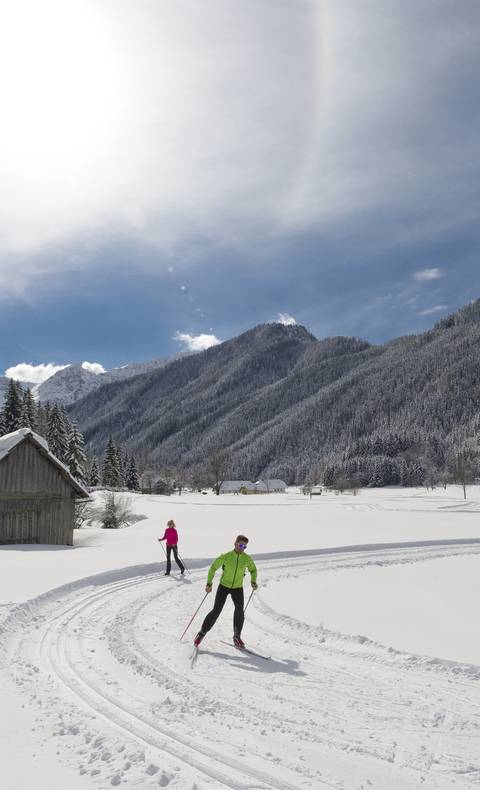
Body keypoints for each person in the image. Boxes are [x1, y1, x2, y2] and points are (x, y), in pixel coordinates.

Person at [194, 534, 257, 648]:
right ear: (235, 544)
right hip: (224, 586)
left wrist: (253, 581)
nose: (242, 548)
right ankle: (201, 633)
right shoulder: (226, 556)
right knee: (216, 611)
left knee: (239, 611)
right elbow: (213, 568)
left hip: (237, 588)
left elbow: (253, 570)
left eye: (244, 546)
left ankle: (237, 637)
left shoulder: (247, 558)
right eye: (240, 545)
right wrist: (209, 583)